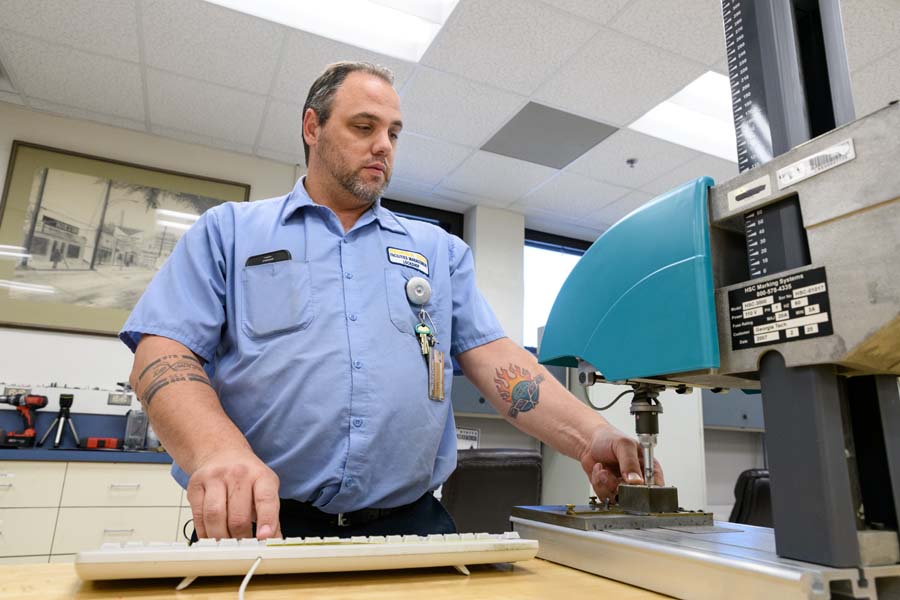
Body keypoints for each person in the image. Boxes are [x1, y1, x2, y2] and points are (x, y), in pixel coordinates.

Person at [121, 61, 662, 542]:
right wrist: (216, 452)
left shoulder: (436, 250)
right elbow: (161, 353)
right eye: (364, 127)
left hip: (412, 526)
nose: (383, 145)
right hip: (264, 526)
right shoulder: (230, 232)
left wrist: (591, 435)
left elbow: (498, 362)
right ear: (312, 128)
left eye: (394, 133)